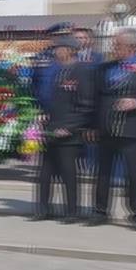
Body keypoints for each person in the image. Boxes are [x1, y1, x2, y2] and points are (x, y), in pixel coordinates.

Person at [90, 28, 136, 230]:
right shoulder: (104, 68)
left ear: (133, 47)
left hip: (134, 131)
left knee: (134, 175)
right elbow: (95, 99)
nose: (113, 48)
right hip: (107, 130)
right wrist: (93, 125)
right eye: (114, 45)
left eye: (118, 45)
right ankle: (100, 211)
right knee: (103, 174)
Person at [30, 35, 95, 222]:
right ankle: (42, 209)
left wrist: (70, 127)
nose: (56, 51)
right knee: (44, 173)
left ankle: (71, 211)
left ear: (69, 50)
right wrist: (44, 115)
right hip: (51, 128)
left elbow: (86, 105)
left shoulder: (82, 71)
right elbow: (54, 101)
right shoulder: (59, 71)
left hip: (69, 133)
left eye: (59, 48)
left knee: (68, 174)